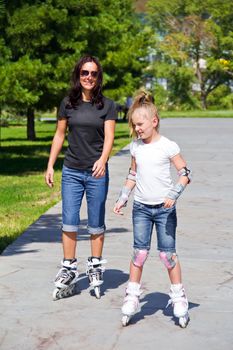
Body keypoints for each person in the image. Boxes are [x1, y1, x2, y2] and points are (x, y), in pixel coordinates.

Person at [113, 91, 192, 327]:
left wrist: (173, 194)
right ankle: (133, 296)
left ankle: (178, 297)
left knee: (167, 254)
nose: (137, 129)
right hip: (141, 209)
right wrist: (123, 197)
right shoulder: (135, 147)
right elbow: (133, 174)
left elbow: (185, 174)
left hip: (165, 209)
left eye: (140, 124)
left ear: (154, 121)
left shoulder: (168, 146)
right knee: (139, 253)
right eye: (134, 125)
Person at [45, 55, 117, 300]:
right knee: (69, 220)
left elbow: (109, 138)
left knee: (96, 221)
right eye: (85, 73)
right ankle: (68, 268)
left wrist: (103, 159)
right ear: (78, 75)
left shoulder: (108, 105)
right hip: (72, 171)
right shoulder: (67, 103)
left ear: (99, 77)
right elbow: (59, 135)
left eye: (94, 73)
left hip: (96, 171)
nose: (89, 77)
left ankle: (95, 267)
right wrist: (50, 165)